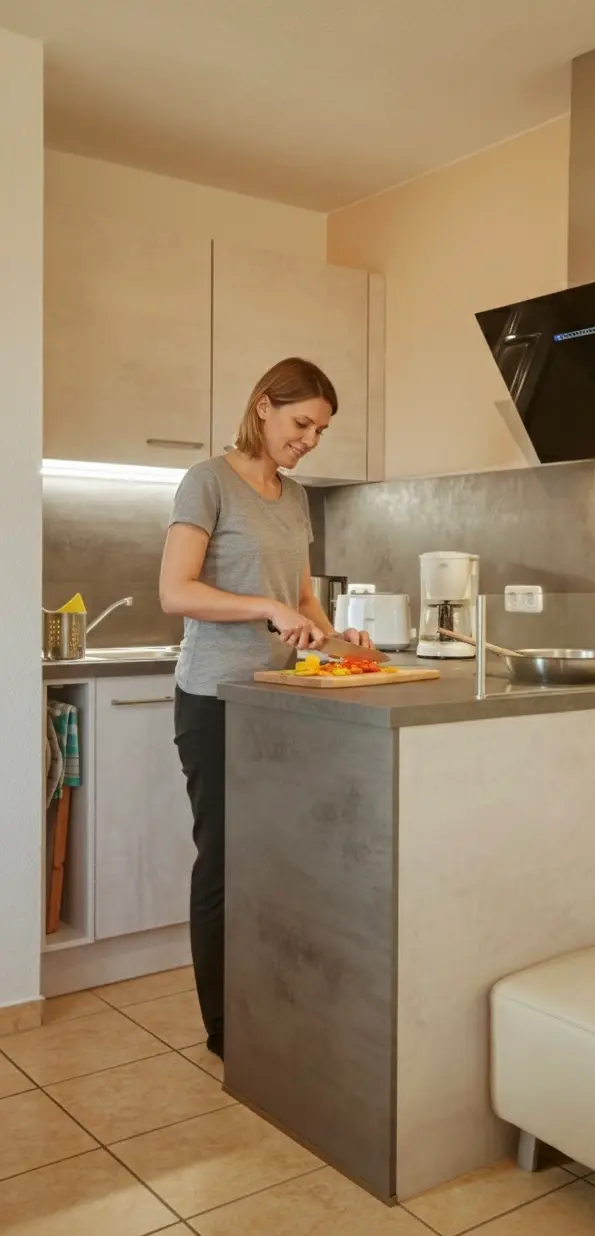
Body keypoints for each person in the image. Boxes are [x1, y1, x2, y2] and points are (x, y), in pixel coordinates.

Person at [159, 357, 371, 1061]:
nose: (310, 439)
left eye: (320, 431)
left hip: (283, 700)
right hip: (217, 702)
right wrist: (265, 607)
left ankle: (273, 1003)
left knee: (283, 860)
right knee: (225, 862)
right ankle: (227, 1028)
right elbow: (177, 591)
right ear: (263, 408)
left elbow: (302, 599)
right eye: (301, 423)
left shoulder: (296, 496)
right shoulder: (207, 481)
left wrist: (338, 638)